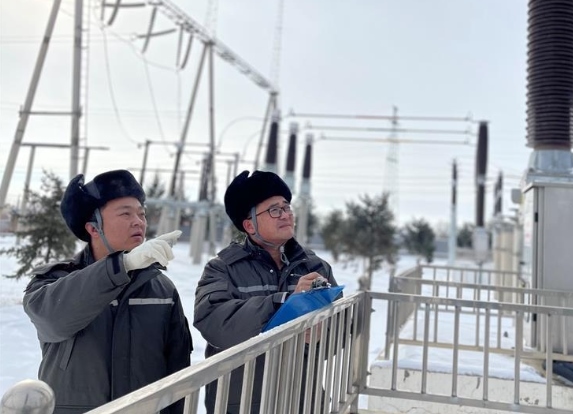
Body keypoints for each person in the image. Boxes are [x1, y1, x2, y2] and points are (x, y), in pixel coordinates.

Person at [22, 169, 193, 414]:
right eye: (126, 213)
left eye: (142, 214)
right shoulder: (54, 280)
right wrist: (122, 266)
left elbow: (176, 374)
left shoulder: (161, 288)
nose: (139, 221)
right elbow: (52, 321)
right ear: (93, 228)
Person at [194, 169, 338, 414]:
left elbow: (341, 327)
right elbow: (214, 321)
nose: (285, 215)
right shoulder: (223, 268)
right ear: (249, 225)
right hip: (243, 404)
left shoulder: (314, 267)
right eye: (274, 210)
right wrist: (284, 305)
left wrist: (320, 335)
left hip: (302, 401)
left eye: (286, 207)